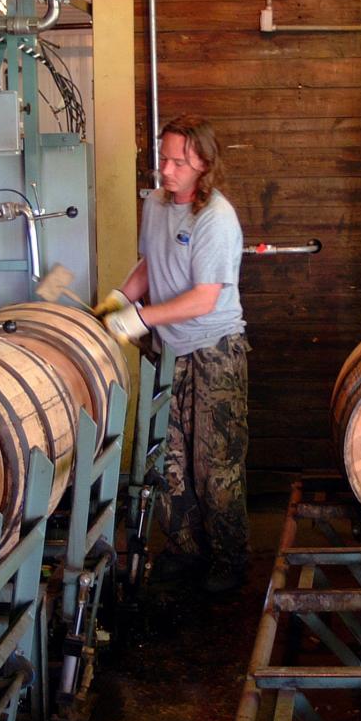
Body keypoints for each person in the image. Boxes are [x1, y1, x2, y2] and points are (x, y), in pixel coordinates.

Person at [97, 114, 251, 594]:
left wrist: (141, 319)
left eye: (179, 162)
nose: (166, 170)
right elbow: (150, 262)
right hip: (170, 349)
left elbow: (205, 297)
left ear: (204, 164)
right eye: (163, 158)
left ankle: (229, 561)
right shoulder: (157, 205)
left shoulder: (215, 218)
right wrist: (120, 300)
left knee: (215, 463)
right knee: (169, 458)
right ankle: (184, 549)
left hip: (213, 350)